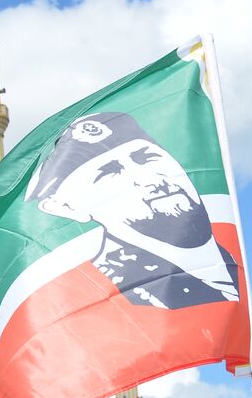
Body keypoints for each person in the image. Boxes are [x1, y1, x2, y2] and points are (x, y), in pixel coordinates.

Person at [26, 111, 239, 309]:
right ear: (66, 207)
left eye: (145, 158)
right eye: (111, 172)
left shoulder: (240, 262)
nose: (150, 178)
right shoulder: (104, 297)